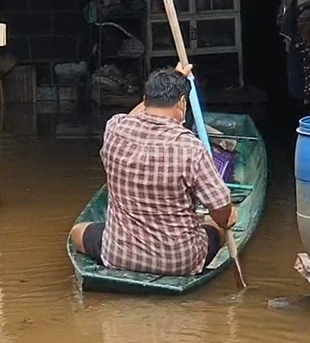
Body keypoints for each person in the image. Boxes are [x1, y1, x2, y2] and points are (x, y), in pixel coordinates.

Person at [70, 65, 237, 275]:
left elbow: (134, 116)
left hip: (120, 254)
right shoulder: (191, 148)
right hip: (179, 262)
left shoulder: (116, 129)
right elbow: (220, 205)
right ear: (183, 103)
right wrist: (227, 217)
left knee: (77, 233)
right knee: (219, 224)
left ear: (145, 99)